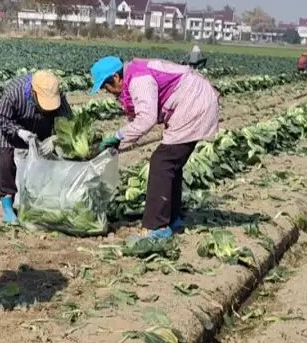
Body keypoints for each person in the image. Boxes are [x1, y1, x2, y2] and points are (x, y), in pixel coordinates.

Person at [90, 56, 219, 241]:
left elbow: (146, 119)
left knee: (162, 163)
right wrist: (120, 141)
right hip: (194, 102)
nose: (107, 91)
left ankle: (157, 227)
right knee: (170, 163)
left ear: (116, 78)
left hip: (194, 105)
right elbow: (138, 118)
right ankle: (172, 219)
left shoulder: (139, 80)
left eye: (106, 86)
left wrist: (118, 136)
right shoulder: (133, 76)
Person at [0, 71, 72, 224]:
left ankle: (45, 196)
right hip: (11, 127)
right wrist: (19, 132)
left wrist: (56, 138)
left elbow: (69, 121)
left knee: (48, 160)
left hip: (41, 127)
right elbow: (2, 118)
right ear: (33, 93)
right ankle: (7, 201)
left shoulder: (58, 95)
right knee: (6, 160)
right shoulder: (14, 93)